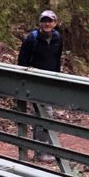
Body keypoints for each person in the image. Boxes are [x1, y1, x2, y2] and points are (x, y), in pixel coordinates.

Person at [17, 10, 63, 158]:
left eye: (50, 21)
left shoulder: (57, 38)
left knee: (41, 114)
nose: (47, 24)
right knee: (45, 114)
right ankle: (41, 152)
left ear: (55, 23)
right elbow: (22, 62)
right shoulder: (32, 39)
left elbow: (57, 60)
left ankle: (41, 149)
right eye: (44, 20)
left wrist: (57, 79)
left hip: (49, 82)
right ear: (40, 23)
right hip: (34, 82)